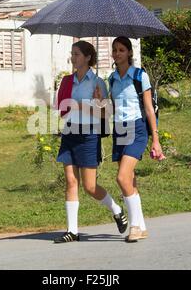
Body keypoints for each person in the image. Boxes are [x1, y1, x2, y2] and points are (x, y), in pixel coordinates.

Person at [53, 40, 128, 243]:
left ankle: (117, 210)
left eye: (77, 54)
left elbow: (105, 115)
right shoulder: (67, 81)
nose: (73, 57)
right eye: (72, 53)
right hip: (69, 133)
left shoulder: (97, 83)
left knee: (90, 186)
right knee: (70, 181)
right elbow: (60, 110)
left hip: (88, 136)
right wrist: (75, 105)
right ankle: (72, 231)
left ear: (87, 58)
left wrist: (96, 103)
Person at [109, 36, 164, 242]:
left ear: (129, 53)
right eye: (114, 50)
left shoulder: (140, 76)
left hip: (138, 128)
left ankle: (133, 226)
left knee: (122, 178)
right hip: (119, 129)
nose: (117, 53)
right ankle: (141, 225)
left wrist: (155, 140)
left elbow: (150, 109)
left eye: (121, 50)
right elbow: (112, 108)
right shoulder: (112, 79)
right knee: (129, 179)